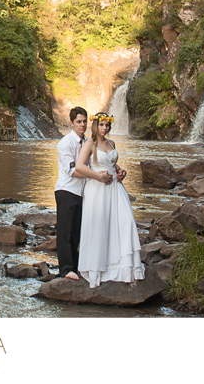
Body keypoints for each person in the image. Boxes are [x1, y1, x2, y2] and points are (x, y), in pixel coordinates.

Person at [77, 112, 145, 288]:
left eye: (107, 125)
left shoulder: (111, 143)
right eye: (101, 125)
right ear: (95, 125)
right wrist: (98, 176)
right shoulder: (89, 143)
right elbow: (79, 166)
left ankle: (123, 266)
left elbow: (112, 165)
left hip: (115, 188)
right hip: (98, 189)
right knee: (100, 226)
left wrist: (121, 171)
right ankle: (97, 268)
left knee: (125, 222)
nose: (104, 128)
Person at [54, 107, 117, 280]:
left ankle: (76, 266)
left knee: (77, 231)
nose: (82, 125)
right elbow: (71, 171)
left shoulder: (89, 142)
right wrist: (97, 177)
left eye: (84, 121)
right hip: (67, 190)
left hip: (84, 192)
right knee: (65, 231)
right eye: (78, 122)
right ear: (71, 123)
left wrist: (115, 170)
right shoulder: (65, 143)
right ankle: (66, 270)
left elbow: (98, 162)